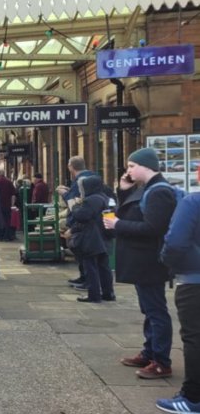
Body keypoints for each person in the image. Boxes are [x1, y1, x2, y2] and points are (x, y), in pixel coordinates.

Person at [103, 148, 178, 379]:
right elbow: (134, 213)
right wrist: (124, 191)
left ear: (146, 166)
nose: (128, 170)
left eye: (132, 166)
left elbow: (153, 228)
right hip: (141, 259)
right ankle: (150, 352)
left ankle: (161, 362)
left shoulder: (159, 192)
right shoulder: (147, 189)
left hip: (150, 261)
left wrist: (117, 226)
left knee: (156, 311)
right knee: (149, 308)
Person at [157, 161, 200, 414]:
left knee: (195, 338)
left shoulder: (192, 202)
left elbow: (174, 243)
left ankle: (193, 398)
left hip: (194, 282)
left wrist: (168, 263)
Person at [68, 174, 115, 303]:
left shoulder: (91, 200)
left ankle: (94, 295)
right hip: (104, 237)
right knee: (104, 267)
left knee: (91, 268)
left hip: (92, 238)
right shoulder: (105, 198)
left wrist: (75, 206)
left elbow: (82, 216)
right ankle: (108, 293)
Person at [56, 156, 96, 290]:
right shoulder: (90, 177)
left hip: (80, 221)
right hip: (84, 220)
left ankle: (87, 280)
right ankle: (84, 277)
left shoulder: (80, 180)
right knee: (81, 253)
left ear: (71, 167)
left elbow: (73, 201)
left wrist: (64, 194)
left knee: (82, 252)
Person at [0, 169, 17, 241]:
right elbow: (13, 194)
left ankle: (0, 236)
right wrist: (12, 204)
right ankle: (7, 236)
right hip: (7, 205)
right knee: (7, 220)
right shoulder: (9, 182)